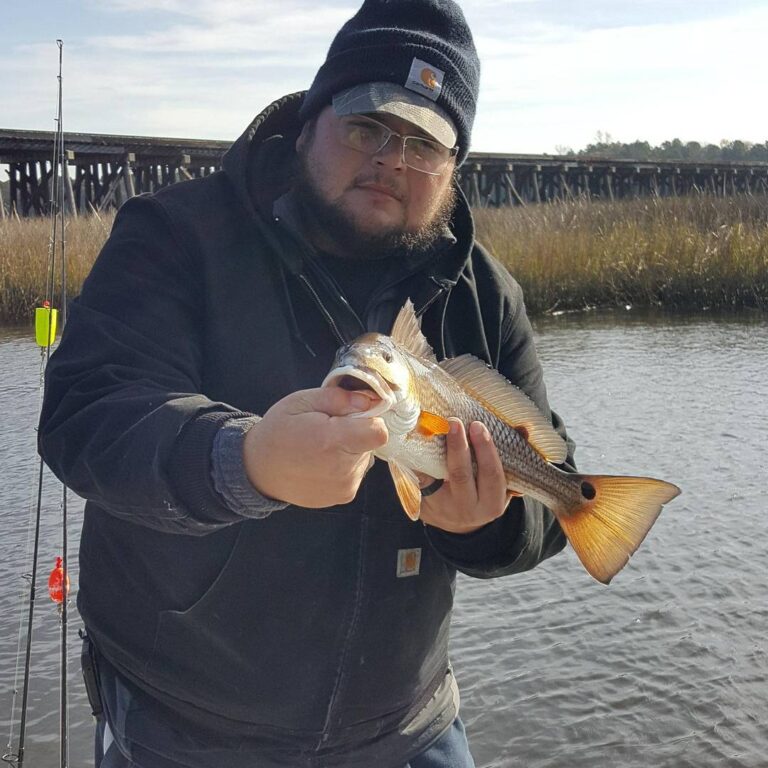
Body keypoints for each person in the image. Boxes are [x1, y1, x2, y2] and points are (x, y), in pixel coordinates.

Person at [39, 0, 575, 765]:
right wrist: (244, 460)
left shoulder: (486, 295)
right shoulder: (174, 234)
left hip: (409, 726)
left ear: (454, 171)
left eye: (424, 144)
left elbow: (558, 501)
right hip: (182, 729)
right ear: (309, 122)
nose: (391, 159)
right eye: (367, 127)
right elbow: (87, 414)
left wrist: (488, 523)